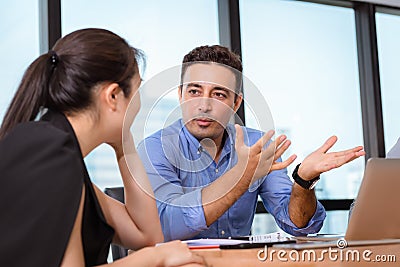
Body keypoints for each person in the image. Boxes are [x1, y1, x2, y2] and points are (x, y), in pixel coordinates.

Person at [0, 28, 205, 267]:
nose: (140, 103)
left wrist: (123, 143)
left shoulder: (57, 149)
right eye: (138, 89)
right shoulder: (50, 152)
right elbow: (152, 249)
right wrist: (154, 258)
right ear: (113, 96)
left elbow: (146, 235)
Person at [137, 45, 365, 241]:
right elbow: (167, 227)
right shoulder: (155, 148)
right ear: (181, 95)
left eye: (218, 95)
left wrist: (303, 181)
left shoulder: (258, 145)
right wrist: (241, 175)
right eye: (195, 91)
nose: (204, 105)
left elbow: (298, 225)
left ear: (236, 103)